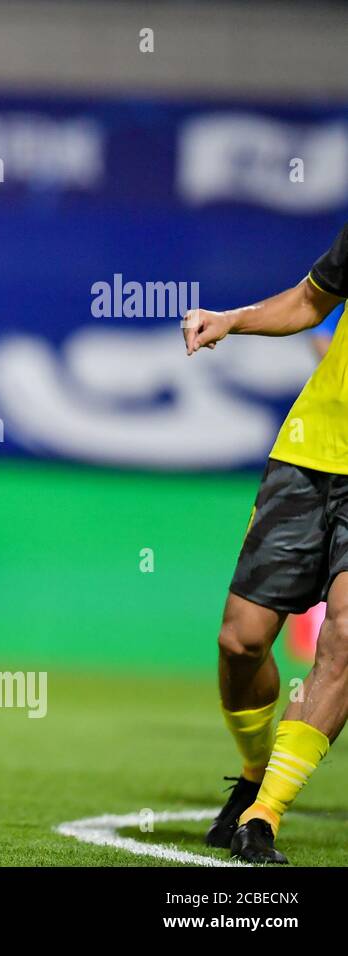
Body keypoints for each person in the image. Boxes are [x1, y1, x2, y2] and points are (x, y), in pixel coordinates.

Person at [184, 224, 348, 863]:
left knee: (343, 638)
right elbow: (310, 303)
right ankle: (253, 771)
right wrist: (231, 319)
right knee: (241, 640)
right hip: (309, 453)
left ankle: (264, 815)